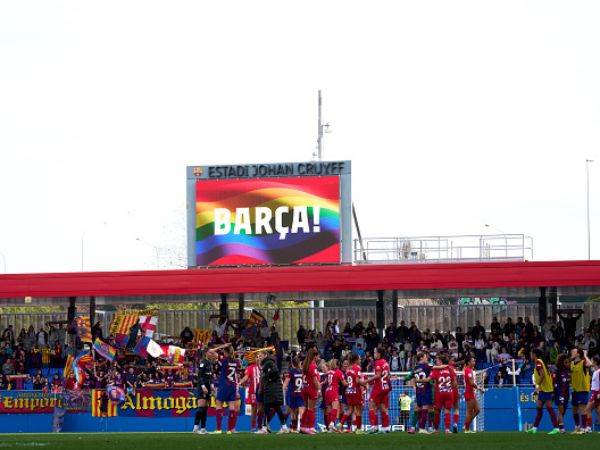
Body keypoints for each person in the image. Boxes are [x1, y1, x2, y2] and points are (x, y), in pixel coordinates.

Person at [526, 348, 560, 435]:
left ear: (534, 354)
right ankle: (534, 428)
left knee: (549, 408)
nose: (530, 355)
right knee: (539, 408)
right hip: (543, 389)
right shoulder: (540, 361)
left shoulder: (538, 362)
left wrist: (537, 386)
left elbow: (542, 375)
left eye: (531, 353)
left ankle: (556, 428)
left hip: (546, 389)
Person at [257, 350, 288, 434]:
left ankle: (264, 428)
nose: (259, 358)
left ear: (265, 355)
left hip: (272, 390)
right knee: (275, 408)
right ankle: (284, 426)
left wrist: (268, 379)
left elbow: (275, 372)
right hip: (272, 389)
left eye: (260, 356)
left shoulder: (269, 363)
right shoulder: (267, 363)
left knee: (268, 408)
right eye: (258, 356)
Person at [215, 345, 241, 434]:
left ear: (225, 352)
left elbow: (211, 352)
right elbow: (236, 375)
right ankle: (229, 430)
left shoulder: (224, 360)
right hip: (232, 385)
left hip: (224, 385)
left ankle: (219, 429)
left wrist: (221, 346)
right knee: (231, 406)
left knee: (219, 404)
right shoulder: (236, 361)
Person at [365, 346, 391, 433]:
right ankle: (386, 427)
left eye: (375, 352)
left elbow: (378, 375)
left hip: (379, 387)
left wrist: (367, 380)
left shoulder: (378, 362)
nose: (374, 354)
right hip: (385, 387)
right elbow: (388, 375)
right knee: (383, 407)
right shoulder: (386, 362)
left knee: (371, 406)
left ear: (379, 354)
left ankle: (374, 427)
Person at [430, 354, 457, 434]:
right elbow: (455, 383)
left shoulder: (436, 370)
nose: (436, 362)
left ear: (441, 361)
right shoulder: (450, 368)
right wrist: (450, 389)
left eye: (437, 360)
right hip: (449, 393)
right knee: (447, 411)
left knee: (437, 411)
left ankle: (436, 430)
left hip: (439, 393)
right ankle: (447, 430)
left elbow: (431, 380)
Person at [407, 352, 433, 434]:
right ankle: (422, 428)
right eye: (425, 357)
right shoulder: (427, 366)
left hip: (418, 391)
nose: (427, 358)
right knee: (426, 408)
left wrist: (406, 379)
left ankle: (413, 427)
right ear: (421, 358)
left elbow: (409, 376)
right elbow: (436, 368)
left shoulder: (415, 368)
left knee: (418, 409)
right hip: (426, 390)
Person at [193, 348, 217, 435]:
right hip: (202, 387)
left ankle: (203, 428)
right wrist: (203, 387)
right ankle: (196, 427)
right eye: (210, 352)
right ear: (206, 353)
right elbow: (200, 376)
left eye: (212, 353)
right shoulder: (203, 362)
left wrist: (212, 386)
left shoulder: (210, 363)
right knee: (201, 408)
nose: (212, 354)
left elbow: (210, 377)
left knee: (205, 409)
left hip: (208, 387)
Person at [570, 347, 592, 434]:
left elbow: (590, 364)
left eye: (574, 351)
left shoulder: (583, 363)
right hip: (574, 390)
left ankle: (583, 428)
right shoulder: (571, 363)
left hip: (583, 389)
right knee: (574, 409)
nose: (572, 352)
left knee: (582, 409)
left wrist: (585, 355)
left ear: (578, 354)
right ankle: (577, 427)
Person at [239, 353, 261, 432]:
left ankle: (258, 426)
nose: (258, 359)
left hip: (258, 391)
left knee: (257, 409)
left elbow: (246, 377)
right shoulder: (253, 368)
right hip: (255, 391)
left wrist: (239, 383)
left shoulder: (258, 367)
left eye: (258, 357)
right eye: (257, 357)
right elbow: (246, 377)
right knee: (256, 409)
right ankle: (256, 426)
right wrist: (240, 382)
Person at [300, 347, 320, 434]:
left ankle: (303, 427)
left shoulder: (305, 364)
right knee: (311, 409)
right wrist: (319, 390)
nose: (318, 357)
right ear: (314, 356)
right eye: (317, 356)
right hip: (311, 389)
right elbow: (315, 380)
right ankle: (310, 427)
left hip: (305, 388)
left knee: (307, 409)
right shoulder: (313, 365)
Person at [283, 356, 305, 433]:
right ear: (299, 363)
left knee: (293, 412)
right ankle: (301, 427)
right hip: (301, 393)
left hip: (293, 393)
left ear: (292, 364)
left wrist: (283, 388)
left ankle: (293, 428)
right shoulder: (302, 371)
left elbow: (287, 381)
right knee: (301, 410)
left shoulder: (291, 371)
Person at [324, 359, 346, 432]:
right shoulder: (339, 372)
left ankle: (330, 428)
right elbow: (344, 383)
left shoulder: (329, 372)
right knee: (335, 408)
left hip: (327, 391)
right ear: (338, 364)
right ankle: (332, 423)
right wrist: (350, 384)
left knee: (329, 410)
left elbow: (326, 380)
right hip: (333, 391)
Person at [345, 353, 364, 433]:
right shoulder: (357, 367)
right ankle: (359, 429)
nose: (360, 360)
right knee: (358, 410)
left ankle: (340, 424)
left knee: (350, 410)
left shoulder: (348, 369)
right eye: (359, 359)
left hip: (349, 391)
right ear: (356, 360)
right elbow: (357, 381)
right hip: (356, 390)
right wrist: (365, 383)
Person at [463, 356, 482, 433]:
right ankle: (466, 429)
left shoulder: (470, 370)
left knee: (477, 410)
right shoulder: (468, 370)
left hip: (471, 393)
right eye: (472, 361)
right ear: (468, 362)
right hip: (469, 393)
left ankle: (466, 425)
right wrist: (479, 388)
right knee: (469, 412)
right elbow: (471, 383)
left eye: (474, 361)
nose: (474, 362)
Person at [553, 353, 571, 433]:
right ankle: (562, 428)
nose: (568, 364)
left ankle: (557, 427)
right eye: (566, 362)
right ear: (561, 363)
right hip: (559, 393)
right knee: (561, 410)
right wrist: (554, 393)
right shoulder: (557, 371)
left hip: (566, 393)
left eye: (568, 362)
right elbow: (553, 382)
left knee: (563, 411)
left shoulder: (568, 371)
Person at [582, 355, 600, 433]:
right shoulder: (595, 370)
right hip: (594, 393)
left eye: (592, 360)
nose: (591, 362)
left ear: (595, 362)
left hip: (597, 393)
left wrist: (599, 393)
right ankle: (589, 428)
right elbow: (589, 364)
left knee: (587, 409)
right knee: (598, 411)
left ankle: (588, 427)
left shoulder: (599, 371)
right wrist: (585, 355)